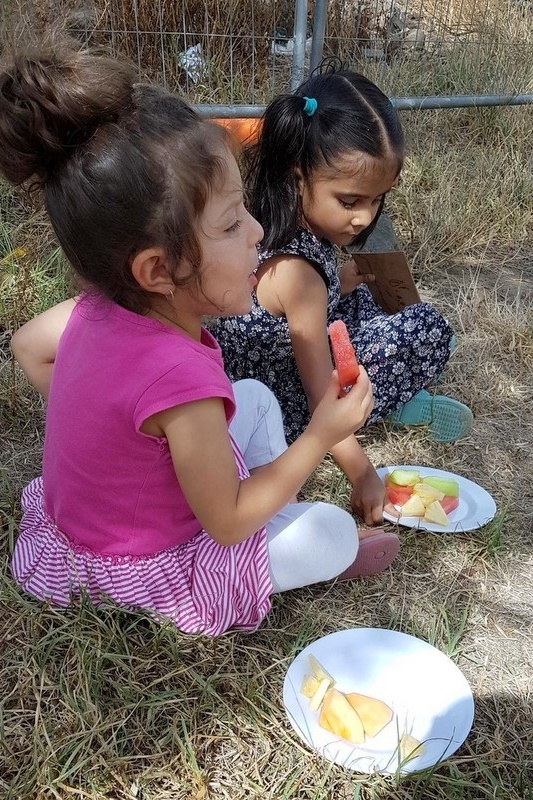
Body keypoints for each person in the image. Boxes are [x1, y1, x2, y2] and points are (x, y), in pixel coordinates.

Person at [1, 40, 400, 637]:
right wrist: (321, 436)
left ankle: (275, 507)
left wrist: (107, 441)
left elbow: (27, 345)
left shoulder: (94, 308)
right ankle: (281, 544)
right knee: (332, 535)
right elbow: (227, 521)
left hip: (75, 528)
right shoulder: (180, 380)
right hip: (140, 568)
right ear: (158, 271)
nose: (258, 232)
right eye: (232, 223)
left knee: (256, 398)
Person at [211, 64, 473, 526]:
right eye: (350, 202)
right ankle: (393, 404)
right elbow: (319, 398)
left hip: (261, 369)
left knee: (361, 299)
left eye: (376, 201)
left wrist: (342, 279)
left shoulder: (267, 221)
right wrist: (364, 475)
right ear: (298, 178)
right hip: (283, 408)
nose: (363, 218)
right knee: (426, 329)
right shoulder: (302, 276)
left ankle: (390, 395)